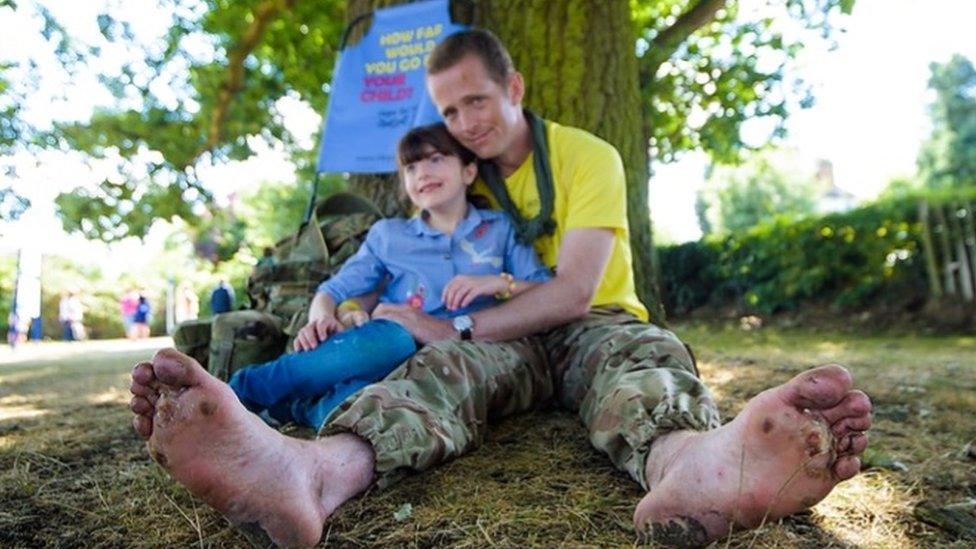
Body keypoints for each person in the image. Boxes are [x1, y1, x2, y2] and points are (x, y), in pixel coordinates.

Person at [128, 29, 872, 548]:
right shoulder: (461, 183)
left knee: (638, 361)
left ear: (514, 87)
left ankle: (696, 467)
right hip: (496, 337)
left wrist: (450, 326)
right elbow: (419, 281)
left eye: (477, 102)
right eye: (449, 111)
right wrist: (370, 311)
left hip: (592, 323)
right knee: (437, 375)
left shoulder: (586, 157)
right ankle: (313, 474)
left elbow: (576, 292)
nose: (464, 123)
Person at [228, 123, 550, 430]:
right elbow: (332, 291)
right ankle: (239, 391)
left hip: (450, 359)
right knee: (394, 340)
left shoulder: (500, 228)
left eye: (436, 159)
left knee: (355, 405)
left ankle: (295, 409)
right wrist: (321, 318)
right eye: (411, 168)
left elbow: (546, 293)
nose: (422, 172)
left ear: (469, 170)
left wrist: (499, 283)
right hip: (389, 342)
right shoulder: (389, 235)